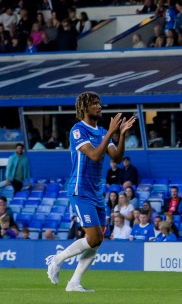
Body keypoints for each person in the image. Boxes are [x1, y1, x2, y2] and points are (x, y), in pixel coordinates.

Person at [46, 91, 135, 292]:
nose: (99, 106)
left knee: (97, 241)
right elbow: (95, 155)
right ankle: (57, 259)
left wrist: (119, 135)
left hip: (96, 191)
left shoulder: (102, 131)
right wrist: (110, 132)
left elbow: (117, 158)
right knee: (93, 238)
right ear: (85, 108)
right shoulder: (78, 130)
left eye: (99, 103)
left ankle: (74, 283)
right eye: (95, 103)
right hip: (80, 189)